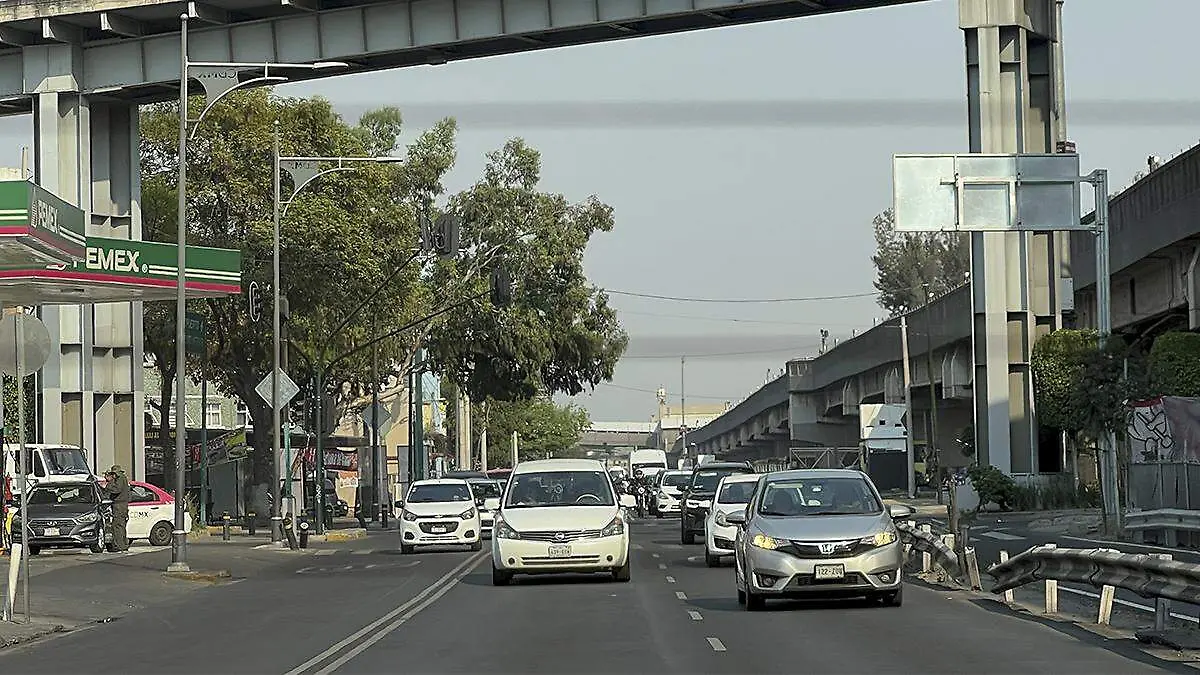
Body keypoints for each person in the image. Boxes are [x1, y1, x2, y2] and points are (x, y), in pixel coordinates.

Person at [103, 465, 131, 552]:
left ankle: (119, 545)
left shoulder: (120, 478)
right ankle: (122, 545)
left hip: (119, 505)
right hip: (121, 505)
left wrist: (107, 485)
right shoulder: (122, 478)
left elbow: (116, 489)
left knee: (117, 526)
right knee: (120, 525)